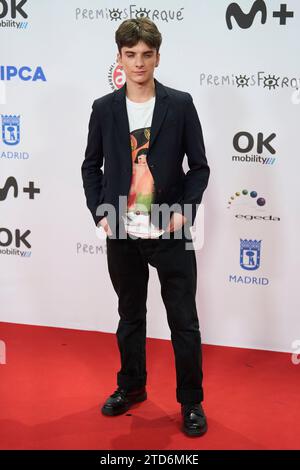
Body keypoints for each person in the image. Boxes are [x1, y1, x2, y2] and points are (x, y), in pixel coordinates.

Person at [81, 17, 210, 437]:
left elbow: (199, 168)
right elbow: (91, 166)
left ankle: (191, 401)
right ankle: (131, 387)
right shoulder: (104, 108)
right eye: (131, 54)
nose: (139, 62)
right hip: (121, 228)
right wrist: (100, 211)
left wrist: (183, 211)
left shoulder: (181, 103)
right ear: (119, 57)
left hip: (169, 229)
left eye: (147, 55)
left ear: (158, 56)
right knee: (130, 316)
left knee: (184, 321)